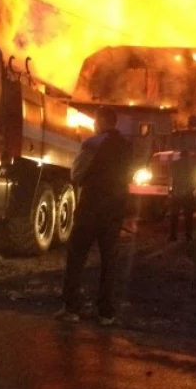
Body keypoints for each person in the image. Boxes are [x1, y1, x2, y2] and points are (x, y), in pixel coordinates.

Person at [55, 106, 132, 325]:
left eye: (96, 121)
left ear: (102, 121)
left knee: (77, 255)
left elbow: (77, 174)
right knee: (109, 261)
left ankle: (71, 309)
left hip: (91, 207)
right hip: (115, 209)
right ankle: (106, 313)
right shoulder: (127, 147)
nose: (94, 125)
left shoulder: (93, 143)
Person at [169, 149, 196, 242]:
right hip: (187, 193)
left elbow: (172, 177)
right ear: (188, 156)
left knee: (174, 215)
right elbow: (194, 178)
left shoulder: (175, 164)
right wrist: (193, 189)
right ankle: (188, 236)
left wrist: (172, 190)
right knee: (188, 215)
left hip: (177, 192)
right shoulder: (192, 164)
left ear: (180, 155)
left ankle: (173, 236)